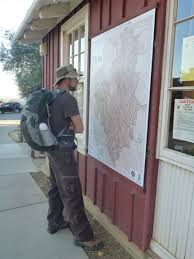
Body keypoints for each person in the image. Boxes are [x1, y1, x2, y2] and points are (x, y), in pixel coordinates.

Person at [46, 64, 104, 251]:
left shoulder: (50, 97)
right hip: (63, 153)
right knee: (72, 192)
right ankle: (84, 236)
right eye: (75, 78)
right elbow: (80, 128)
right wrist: (71, 127)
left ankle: (54, 221)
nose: (77, 81)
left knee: (56, 187)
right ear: (67, 80)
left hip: (52, 149)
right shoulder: (67, 99)